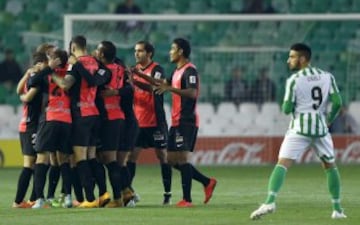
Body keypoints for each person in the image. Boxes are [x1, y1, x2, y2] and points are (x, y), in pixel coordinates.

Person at [250, 43, 347, 220]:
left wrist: (288, 103)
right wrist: (329, 119)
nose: (288, 60)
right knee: (330, 166)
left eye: (292, 57)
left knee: (282, 164)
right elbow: (338, 102)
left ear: (302, 59)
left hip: (299, 128)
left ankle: (270, 201)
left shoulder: (294, 80)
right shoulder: (327, 76)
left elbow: (286, 109)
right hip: (320, 128)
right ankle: (338, 209)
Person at [153, 38, 217, 207]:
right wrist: (136, 77)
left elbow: (192, 93)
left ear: (180, 51)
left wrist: (170, 89)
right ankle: (206, 182)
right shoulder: (176, 71)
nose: (170, 52)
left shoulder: (190, 71)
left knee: (182, 159)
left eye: (172, 49)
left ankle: (187, 199)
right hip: (176, 121)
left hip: (186, 120)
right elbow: (160, 84)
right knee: (170, 159)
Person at [51, 35, 110, 208]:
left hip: (80, 114)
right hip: (94, 113)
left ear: (73, 47)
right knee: (92, 157)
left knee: (80, 158)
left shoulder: (75, 63)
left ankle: (89, 199)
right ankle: (103, 194)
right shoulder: (95, 62)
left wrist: (51, 73)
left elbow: (65, 85)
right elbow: (100, 78)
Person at [29, 49, 74, 209]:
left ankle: (40, 199)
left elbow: (31, 82)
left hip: (50, 118)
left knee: (42, 159)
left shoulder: (47, 74)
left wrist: (47, 69)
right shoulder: (71, 72)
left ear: (55, 60)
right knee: (64, 160)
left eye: (50, 58)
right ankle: (68, 197)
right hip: (67, 119)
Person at [130, 40, 172, 205]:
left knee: (163, 156)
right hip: (138, 121)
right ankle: (129, 192)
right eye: (135, 51)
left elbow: (154, 86)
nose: (136, 54)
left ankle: (167, 194)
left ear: (149, 54)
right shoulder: (134, 72)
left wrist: (136, 77)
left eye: (140, 51)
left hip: (155, 121)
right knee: (131, 157)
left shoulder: (157, 69)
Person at [93, 41, 126, 207]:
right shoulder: (120, 68)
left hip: (108, 118)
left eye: (97, 51)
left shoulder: (104, 71)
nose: (95, 53)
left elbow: (95, 83)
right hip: (117, 115)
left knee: (110, 160)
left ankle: (118, 198)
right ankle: (108, 195)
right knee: (101, 158)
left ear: (102, 55)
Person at [12, 52, 45, 208]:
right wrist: (24, 98)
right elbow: (26, 96)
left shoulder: (29, 78)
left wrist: (25, 75)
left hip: (25, 124)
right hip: (32, 125)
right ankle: (22, 200)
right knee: (34, 162)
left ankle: (25, 200)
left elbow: (19, 90)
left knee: (34, 163)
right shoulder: (37, 80)